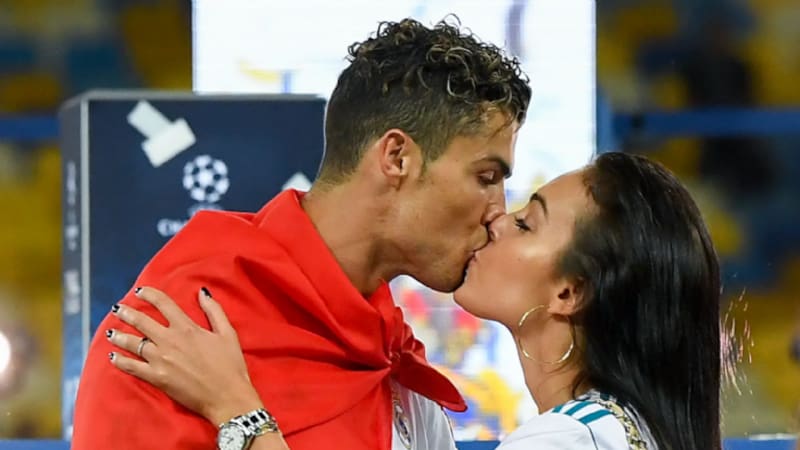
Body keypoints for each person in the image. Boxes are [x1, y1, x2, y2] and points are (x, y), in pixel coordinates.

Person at [70, 17, 532, 450]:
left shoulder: (389, 357)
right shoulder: (172, 329)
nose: (498, 212)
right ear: (397, 158)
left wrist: (243, 419)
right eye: (486, 177)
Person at [107, 152, 722, 449]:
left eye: (526, 222)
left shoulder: (566, 443)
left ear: (570, 292)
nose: (496, 219)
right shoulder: (621, 428)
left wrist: (238, 412)